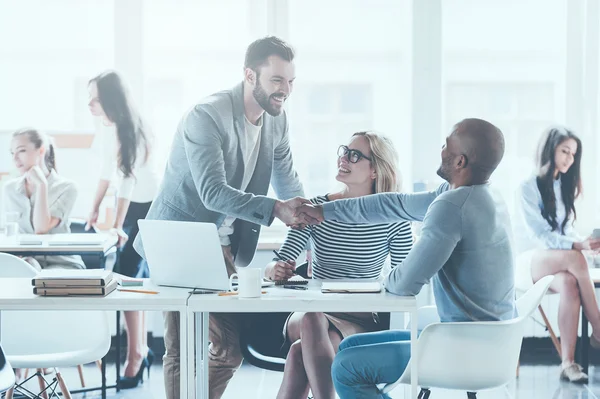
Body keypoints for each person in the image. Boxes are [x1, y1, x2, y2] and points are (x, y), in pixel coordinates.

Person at [132, 36, 310, 399]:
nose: (285, 91)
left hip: (224, 247)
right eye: (277, 80)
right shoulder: (207, 116)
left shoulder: (276, 121)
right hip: (179, 241)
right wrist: (276, 209)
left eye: (291, 82)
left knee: (228, 351)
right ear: (250, 75)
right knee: (185, 346)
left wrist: (306, 212)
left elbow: (288, 179)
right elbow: (212, 192)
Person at [296, 118, 516, 398]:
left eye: (446, 146)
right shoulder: (479, 195)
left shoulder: (452, 207)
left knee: (346, 368)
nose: (441, 150)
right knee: (349, 348)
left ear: (460, 161)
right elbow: (395, 204)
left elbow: (403, 285)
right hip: (485, 341)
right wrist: (325, 211)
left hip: (466, 348)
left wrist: (379, 275)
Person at [270, 132, 413, 399]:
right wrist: (274, 270)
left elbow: (404, 277)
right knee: (313, 319)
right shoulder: (316, 208)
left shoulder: (394, 216)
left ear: (375, 170)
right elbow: (280, 260)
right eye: (344, 151)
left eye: (355, 155)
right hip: (309, 314)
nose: (343, 158)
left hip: (358, 317)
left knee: (300, 353)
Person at [87, 70, 160, 388]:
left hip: (145, 208)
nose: (90, 104)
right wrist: (94, 207)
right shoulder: (108, 127)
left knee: (129, 281)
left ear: (111, 101)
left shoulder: (132, 129)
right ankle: (139, 351)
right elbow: (108, 172)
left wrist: (117, 225)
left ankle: (136, 354)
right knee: (132, 281)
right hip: (129, 207)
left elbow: (128, 180)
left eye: (95, 98)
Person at [514, 127, 600, 383]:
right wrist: (577, 247)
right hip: (528, 261)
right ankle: (599, 328)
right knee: (575, 258)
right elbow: (540, 235)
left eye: (573, 154)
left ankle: (568, 364)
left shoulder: (562, 185)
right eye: (565, 151)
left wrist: (584, 243)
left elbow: (565, 231)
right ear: (549, 150)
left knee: (570, 283)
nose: (569, 159)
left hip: (555, 262)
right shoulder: (527, 187)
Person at [5, 128, 85, 271]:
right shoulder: (9, 189)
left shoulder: (67, 187)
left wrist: (42, 185)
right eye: (12, 153)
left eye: (21, 151)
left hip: (61, 264)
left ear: (41, 151)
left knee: (38, 281)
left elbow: (41, 228)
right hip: (24, 264)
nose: (15, 158)